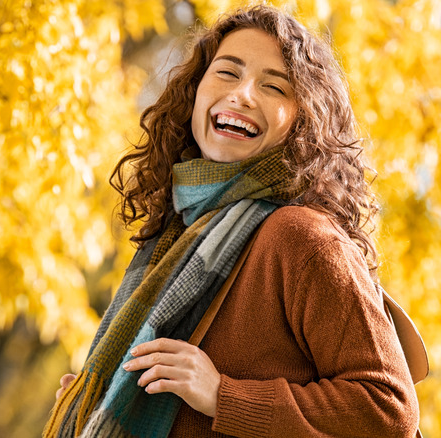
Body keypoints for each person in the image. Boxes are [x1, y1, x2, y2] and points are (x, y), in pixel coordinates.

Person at [45, 5, 420, 438]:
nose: (243, 94)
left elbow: (388, 410)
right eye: (227, 73)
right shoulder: (177, 239)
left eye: (274, 86)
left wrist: (223, 395)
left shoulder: (300, 237)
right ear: (195, 92)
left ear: (303, 123)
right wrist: (105, 402)